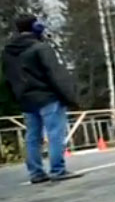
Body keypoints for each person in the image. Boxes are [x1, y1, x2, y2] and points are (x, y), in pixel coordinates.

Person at [2, 15, 83, 183]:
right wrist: (70, 97)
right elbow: (55, 74)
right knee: (55, 133)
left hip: (25, 99)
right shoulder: (40, 48)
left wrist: (18, 97)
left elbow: (8, 79)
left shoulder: (8, 52)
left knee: (32, 137)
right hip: (47, 97)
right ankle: (58, 170)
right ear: (35, 27)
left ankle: (36, 172)